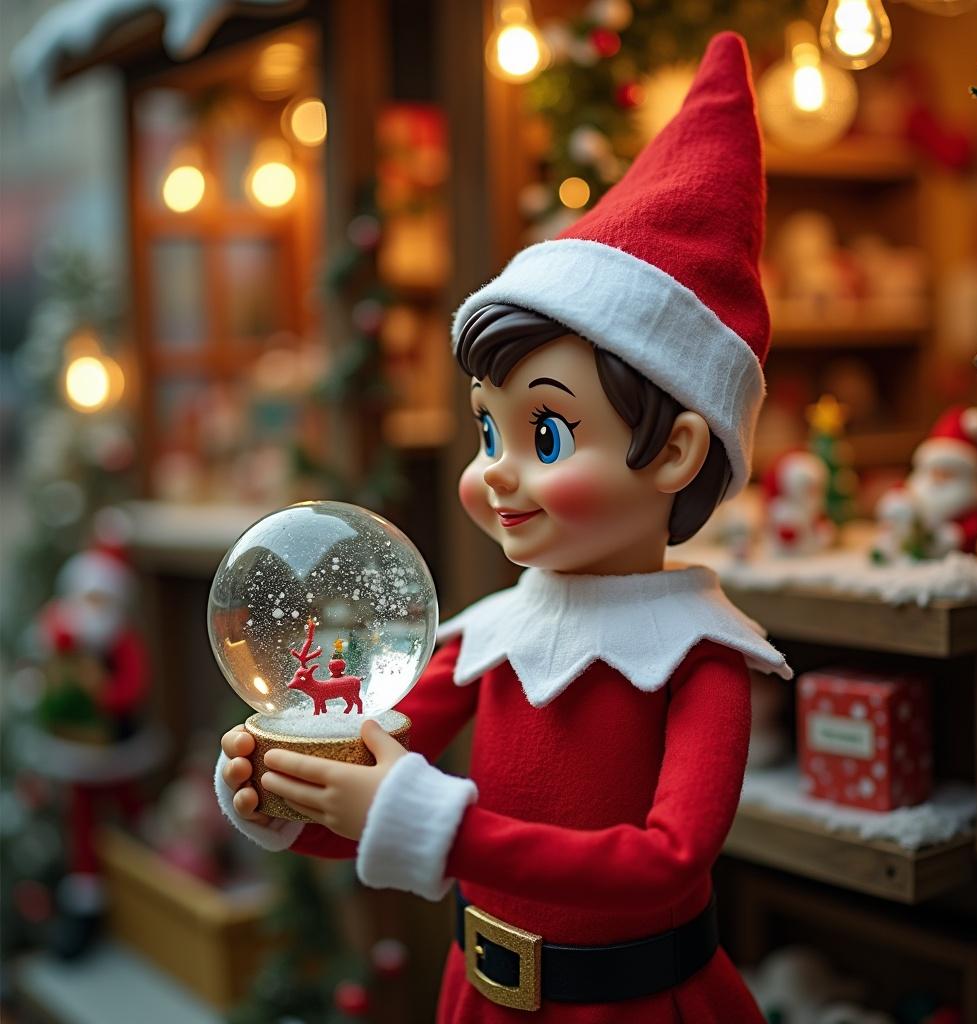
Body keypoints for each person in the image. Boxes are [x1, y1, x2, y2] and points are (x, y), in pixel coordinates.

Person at [217, 32, 790, 1022]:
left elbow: (666, 859)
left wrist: (417, 816)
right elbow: (372, 786)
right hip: (476, 998)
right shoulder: (488, 636)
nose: (494, 473)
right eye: (489, 429)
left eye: (548, 432)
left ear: (675, 452)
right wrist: (285, 790)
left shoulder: (702, 657)